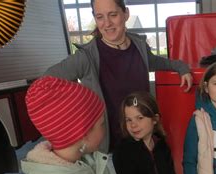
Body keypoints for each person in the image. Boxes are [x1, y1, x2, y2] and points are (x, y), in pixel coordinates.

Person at [45, 0, 193, 153]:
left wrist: (181, 67)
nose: (107, 23)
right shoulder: (87, 57)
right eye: (100, 17)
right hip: (111, 151)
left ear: (125, 14)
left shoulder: (139, 46)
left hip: (144, 141)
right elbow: (46, 82)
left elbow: (159, 62)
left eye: (113, 15)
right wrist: (79, 107)